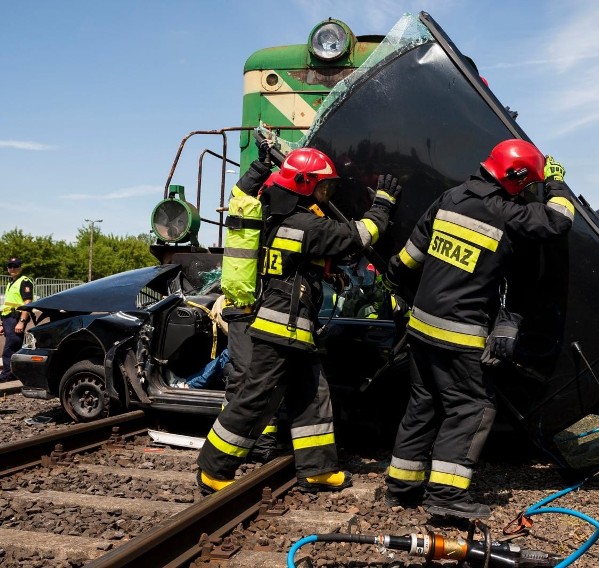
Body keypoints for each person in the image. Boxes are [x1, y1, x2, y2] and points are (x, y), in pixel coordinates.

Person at [382, 139, 574, 520]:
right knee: (474, 407)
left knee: (424, 404)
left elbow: (407, 260)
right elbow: (557, 221)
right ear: (515, 175)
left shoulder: (449, 198)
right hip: (459, 334)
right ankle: (447, 496)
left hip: (420, 327)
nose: (527, 191)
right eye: (527, 183)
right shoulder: (503, 212)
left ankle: (402, 487)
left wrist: (395, 288)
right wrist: (556, 183)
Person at [196, 145, 403, 494]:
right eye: (324, 187)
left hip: (296, 328)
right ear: (305, 184)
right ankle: (213, 468)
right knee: (255, 399)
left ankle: (318, 469)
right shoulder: (303, 223)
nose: (328, 194)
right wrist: (382, 205)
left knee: (312, 396)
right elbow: (357, 236)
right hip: (280, 329)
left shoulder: (282, 217)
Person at [0, 257, 34, 382]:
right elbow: (8, 305)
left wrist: (22, 321)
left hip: (16, 318)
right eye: (10, 266)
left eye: (15, 266)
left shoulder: (24, 281)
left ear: (20, 267)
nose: (12, 268)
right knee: (16, 346)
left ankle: (7, 375)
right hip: (8, 319)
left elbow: (27, 302)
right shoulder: (11, 282)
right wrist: (2, 323)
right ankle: (18, 373)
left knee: (10, 348)